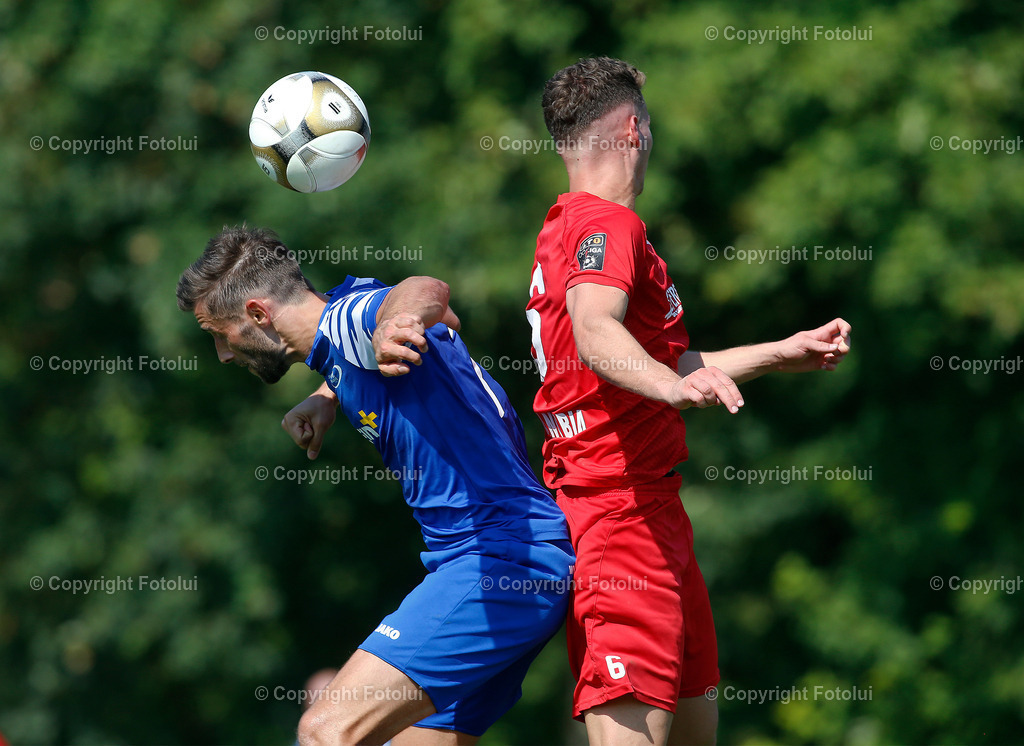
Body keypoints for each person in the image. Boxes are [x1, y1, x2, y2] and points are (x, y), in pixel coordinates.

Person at [526, 57, 852, 745]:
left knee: (695, 731)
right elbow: (594, 330)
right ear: (634, 130)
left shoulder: (567, 226)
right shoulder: (611, 226)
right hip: (617, 520)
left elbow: (659, 360)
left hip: (655, 514)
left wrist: (779, 352)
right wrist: (673, 388)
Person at [176, 226, 574, 746]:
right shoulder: (345, 317)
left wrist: (392, 324)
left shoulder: (354, 321)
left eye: (218, 334)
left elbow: (428, 291)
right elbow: (442, 322)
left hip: (496, 562)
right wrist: (329, 393)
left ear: (256, 314)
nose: (223, 355)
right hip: (509, 561)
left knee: (323, 731)